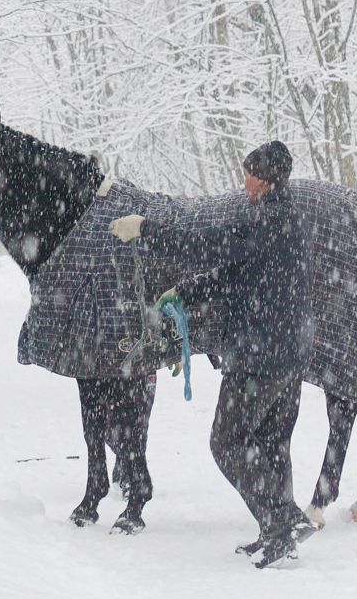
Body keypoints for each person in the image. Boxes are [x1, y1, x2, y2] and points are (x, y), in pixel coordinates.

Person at [109, 141, 317, 568]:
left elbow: (205, 246)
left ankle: (281, 523)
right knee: (268, 443)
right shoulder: (287, 218)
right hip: (287, 354)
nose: (244, 183)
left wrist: (147, 228)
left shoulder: (265, 221)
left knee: (226, 443)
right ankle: (280, 528)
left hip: (259, 356)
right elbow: (233, 273)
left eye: (249, 175)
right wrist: (183, 292)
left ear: (265, 178)